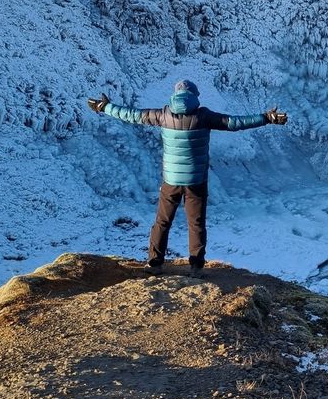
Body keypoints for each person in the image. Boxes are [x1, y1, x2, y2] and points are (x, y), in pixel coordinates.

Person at [88, 79, 287, 274]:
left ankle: (154, 263)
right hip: (196, 180)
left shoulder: (162, 115)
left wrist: (104, 107)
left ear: (176, 95)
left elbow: (131, 114)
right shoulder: (204, 116)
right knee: (196, 223)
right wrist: (267, 118)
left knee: (162, 222)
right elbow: (235, 122)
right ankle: (196, 266)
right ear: (195, 96)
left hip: (171, 181)